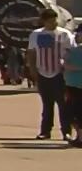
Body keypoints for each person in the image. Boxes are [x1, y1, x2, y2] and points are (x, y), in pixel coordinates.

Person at [28, 9, 75, 141]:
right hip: (43, 73)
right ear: (43, 21)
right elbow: (32, 53)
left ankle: (66, 131)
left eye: (55, 20)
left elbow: (72, 52)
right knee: (47, 105)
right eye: (50, 21)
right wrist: (32, 70)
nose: (53, 23)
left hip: (60, 74)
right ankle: (45, 131)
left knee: (63, 104)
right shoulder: (35, 35)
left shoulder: (65, 34)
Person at [63, 41, 82, 148]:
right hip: (73, 85)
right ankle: (79, 136)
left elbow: (66, 65)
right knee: (72, 112)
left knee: (73, 111)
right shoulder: (72, 51)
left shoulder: (72, 52)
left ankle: (80, 138)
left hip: (74, 85)